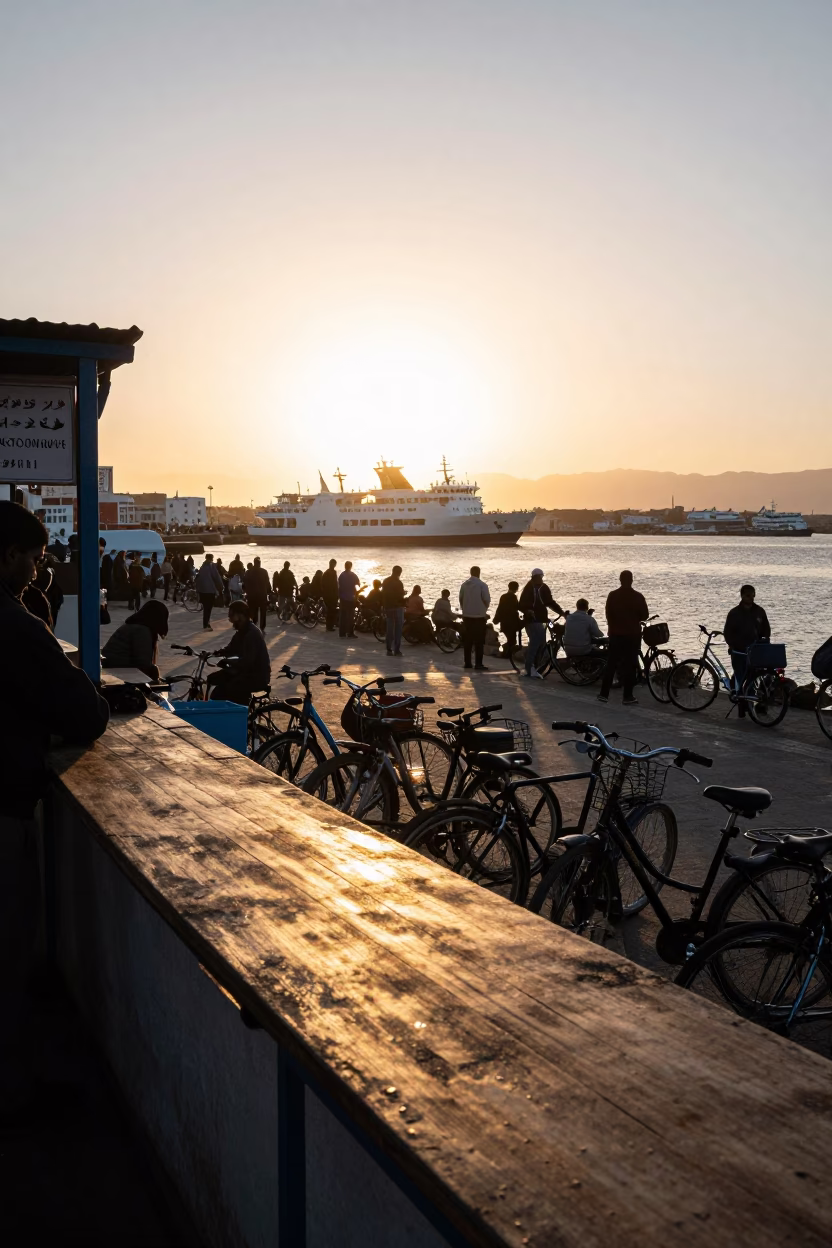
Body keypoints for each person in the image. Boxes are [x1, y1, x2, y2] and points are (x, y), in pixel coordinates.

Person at [0, 504, 109, 1108]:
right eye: (33, 559)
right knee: (9, 954)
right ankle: (12, 1093)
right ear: (8, 555)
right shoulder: (14, 626)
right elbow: (85, 713)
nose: (38, 571)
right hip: (5, 809)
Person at [598, 570, 649, 705]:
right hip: (632, 635)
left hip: (615, 634)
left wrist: (611, 627)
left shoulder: (612, 595)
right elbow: (645, 615)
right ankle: (627, 696)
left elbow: (608, 614)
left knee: (611, 664)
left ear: (620, 580)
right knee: (630, 665)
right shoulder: (638, 596)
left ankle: (603, 694)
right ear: (631, 580)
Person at [206, 601, 271, 705]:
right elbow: (231, 648)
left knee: (222, 692)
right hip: (246, 672)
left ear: (240, 615)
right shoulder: (242, 631)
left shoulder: (251, 634)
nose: (229, 618)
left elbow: (248, 662)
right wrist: (214, 653)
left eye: (231, 615)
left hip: (257, 676)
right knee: (213, 679)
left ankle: (240, 714)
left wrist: (228, 662)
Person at [724, 585, 771, 717]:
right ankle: (742, 707)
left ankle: (750, 704)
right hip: (738, 651)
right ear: (742, 596)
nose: (751, 598)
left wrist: (764, 641)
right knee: (740, 677)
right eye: (748, 595)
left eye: (753, 595)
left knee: (753, 678)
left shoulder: (759, 611)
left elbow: (766, 630)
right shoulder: (734, 613)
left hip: (755, 650)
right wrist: (731, 645)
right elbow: (728, 632)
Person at [102, 600, 169, 680]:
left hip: (112, 669)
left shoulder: (134, 626)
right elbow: (142, 663)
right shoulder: (141, 631)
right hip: (119, 672)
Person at [518, 569, 563, 679]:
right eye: (539, 576)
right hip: (532, 621)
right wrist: (528, 611)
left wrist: (561, 612)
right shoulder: (529, 588)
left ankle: (536, 666)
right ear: (534, 577)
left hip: (542, 620)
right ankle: (529, 669)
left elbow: (550, 602)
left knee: (541, 644)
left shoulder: (543, 587)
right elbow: (521, 605)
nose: (540, 578)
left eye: (541, 576)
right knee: (535, 643)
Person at [458, 565, 491, 670]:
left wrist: (465, 609)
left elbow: (460, 599)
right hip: (479, 617)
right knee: (479, 641)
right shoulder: (482, 585)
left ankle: (467, 663)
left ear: (470, 573)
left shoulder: (464, 585)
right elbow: (486, 599)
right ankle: (478, 663)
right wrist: (483, 610)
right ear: (479, 573)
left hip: (467, 616)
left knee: (467, 641)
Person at [195, 552, 225, 630]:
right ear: (211, 558)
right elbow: (216, 577)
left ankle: (205, 623)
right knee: (209, 608)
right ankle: (206, 624)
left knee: (205, 607)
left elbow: (198, 578)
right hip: (210, 590)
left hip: (202, 590)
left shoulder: (202, 566)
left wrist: (198, 589)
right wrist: (221, 586)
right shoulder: (211, 566)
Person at [381, 565, 406, 656]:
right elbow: (399, 596)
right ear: (399, 572)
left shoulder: (386, 581)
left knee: (390, 628)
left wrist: (383, 606)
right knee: (398, 629)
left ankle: (388, 649)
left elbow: (383, 595)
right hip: (397, 607)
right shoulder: (399, 583)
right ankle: (397, 650)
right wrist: (403, 594)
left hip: (388, 607)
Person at [493, 581, 521, 655]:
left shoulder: (503, 596)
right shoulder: (513, 597)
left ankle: (507, 652)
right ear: (516, 588)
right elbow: (517, 607)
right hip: (511, 623)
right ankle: (507, 653)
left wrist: (496, 619)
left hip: (504, 622)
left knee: (510, 639)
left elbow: (499, 609)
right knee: (512, 640)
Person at [243, 555, 270, 630]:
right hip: (262, 595)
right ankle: (262, 626)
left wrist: (246, 592)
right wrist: (269, 592)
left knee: (253, 611)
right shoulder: (264, 572)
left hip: (251, 596)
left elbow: (244, 583)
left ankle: (254, 624)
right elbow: (268, 583)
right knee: (263, 612)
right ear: (260, 563)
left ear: (254, 563)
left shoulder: (248, 572)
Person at [338, 560, 360, 637]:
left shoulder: (341, 575)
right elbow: (358, 585)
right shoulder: (353, 575)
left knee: (343, 616)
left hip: (343, 598)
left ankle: (342, 633)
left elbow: (339, 586)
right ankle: (350, 632)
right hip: (350, 598)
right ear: (350, 566)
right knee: (350, 616)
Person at [321, 558, 339, 631]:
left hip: (331, 595)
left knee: (331, 611)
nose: (333, 565)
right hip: (330, 595)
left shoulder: (328, 573)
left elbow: (335, 584)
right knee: (331, 611)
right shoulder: (329, 573)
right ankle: (329, 626)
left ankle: (330, 625)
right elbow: (334, 584)